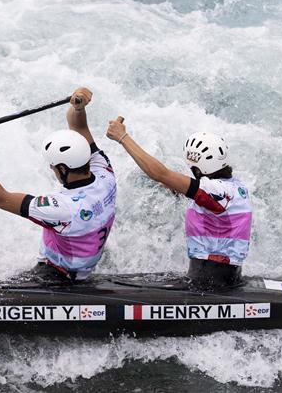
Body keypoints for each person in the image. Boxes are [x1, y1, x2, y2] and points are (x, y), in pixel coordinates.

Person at [0, 88, 116, 283]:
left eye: (53, 167)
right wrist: (78, 108)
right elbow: (78, 130)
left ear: (63, 169)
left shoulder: (63, 209)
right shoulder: (104, 172)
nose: (52, 170)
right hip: (82, 268)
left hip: (55, 276)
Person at [106, 118, 251, 288]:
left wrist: (123, 137)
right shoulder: (234, 186)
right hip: (226, 276)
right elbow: (171, 181)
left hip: (208, 282)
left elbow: (161, 174)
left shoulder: (215, 192)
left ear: (199, 168)